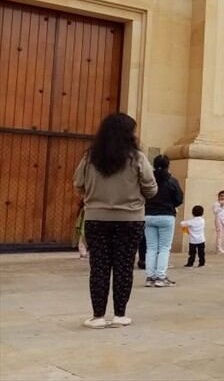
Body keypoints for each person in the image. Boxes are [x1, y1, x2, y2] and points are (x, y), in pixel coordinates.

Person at [73, 112, 158, 328]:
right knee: (124, 266)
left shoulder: (90, 157)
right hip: (130, 219)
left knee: (99, 267)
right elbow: (151, 188)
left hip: (96, 218)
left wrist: (94, 197)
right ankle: (120, 315)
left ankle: (98, 316)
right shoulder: (137, 157)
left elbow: (78, 184)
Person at [144, 154, 183, 288]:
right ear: (168, 165)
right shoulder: (172, 181)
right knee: (164, 248)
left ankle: (150, 277)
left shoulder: (149, 180)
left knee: (151, 247)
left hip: (149, 215)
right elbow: (179, 199)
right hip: (166, 215)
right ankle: (161, 277)